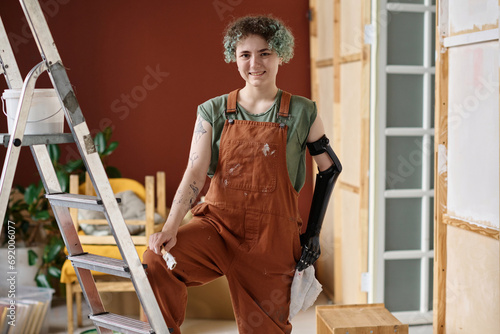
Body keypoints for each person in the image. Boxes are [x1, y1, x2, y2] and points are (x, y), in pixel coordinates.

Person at [143, 15, 341, 334]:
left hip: (272, 239)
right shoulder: (213, 111)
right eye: (244, 54)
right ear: (233, 58)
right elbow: (195, 170)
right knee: (156, 262)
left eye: (264, 52)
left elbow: (329, 170)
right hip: (217, 227)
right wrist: (171, 226)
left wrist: (313, 234)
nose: (254, 63)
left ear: (280, 54)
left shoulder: (304, 112)